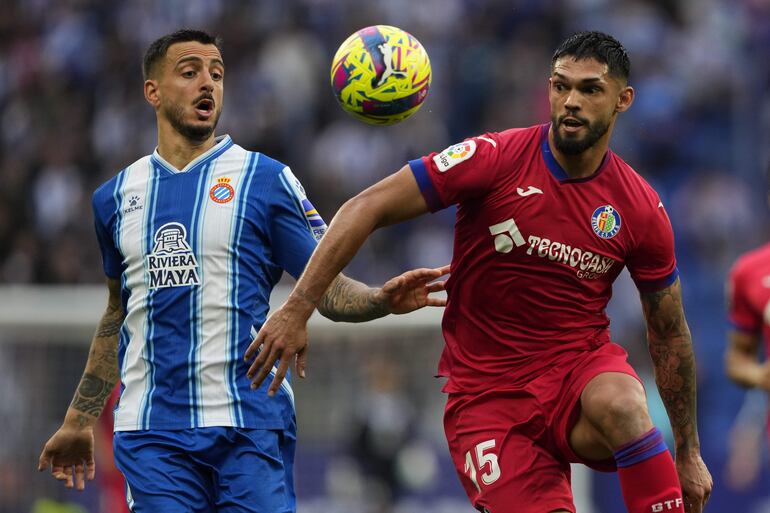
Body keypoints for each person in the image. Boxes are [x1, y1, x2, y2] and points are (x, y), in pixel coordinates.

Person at [248, 31, 713, 513]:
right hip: (488, 399)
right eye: (561, 86)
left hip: (577, 373)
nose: (571, 102)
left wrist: (689, 451)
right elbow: (364, 207)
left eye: (591, 89)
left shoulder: (639, 207)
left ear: (623, 100)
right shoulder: (494, 158)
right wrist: (298, 307)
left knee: (624, 405)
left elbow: (669, 331)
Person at [37, 29, 448, 513]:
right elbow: (117, 313)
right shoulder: (114, 199)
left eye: (216, 73)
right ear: (153, 91)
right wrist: (79, 418)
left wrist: (379, 299)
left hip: (250, 425)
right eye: (189, 73)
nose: (207, 84)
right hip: (153, 434)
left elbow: (327, 289)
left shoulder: (265, 180)